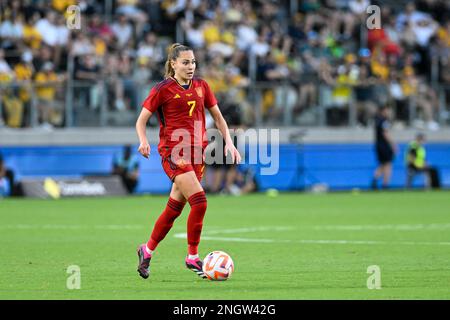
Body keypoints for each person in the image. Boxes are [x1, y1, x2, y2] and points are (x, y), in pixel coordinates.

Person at [135, 43, 241, 279]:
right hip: (174, 153)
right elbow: (141, 120)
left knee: (173, 210)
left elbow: (218, 116)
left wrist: (230, 143)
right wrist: (143, 141)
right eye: (185, 62)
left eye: (193, 62)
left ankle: (147, 249)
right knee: (200, 202)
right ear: (173, 64)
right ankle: (192, 256)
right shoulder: (162, 89)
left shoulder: (202, 86)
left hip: (197, 156)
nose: (191, 66)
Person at [371, 106, 397, 190]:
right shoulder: (384, 121)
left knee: (383, 164)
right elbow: (385, 134)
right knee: (388, 164)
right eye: (387, 110)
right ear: (383, 111)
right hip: (384, 145)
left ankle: (375, 180)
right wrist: (393, 144)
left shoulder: (377, 120)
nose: (388, 112)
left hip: (378, 145)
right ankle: (385, 184)